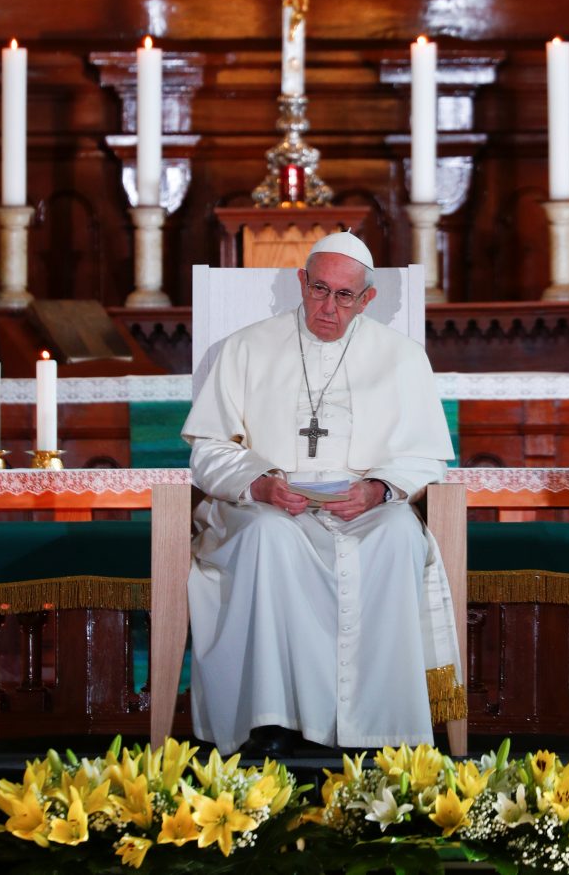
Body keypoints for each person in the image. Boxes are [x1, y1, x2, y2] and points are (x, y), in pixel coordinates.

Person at [181, 231, 464, 756]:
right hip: (266, 507)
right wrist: (258, 483)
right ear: (300, 283)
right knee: (269, 536)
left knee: (400, 534)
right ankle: (270, 720)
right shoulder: (245, 348)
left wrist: (379, 489)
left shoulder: (402, 359)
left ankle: (385, 730)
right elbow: (208, 451)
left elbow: (426, 457)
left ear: (367, 300)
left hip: (363, 510)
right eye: (318, 289)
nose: (327, 307)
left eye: (344, 296)